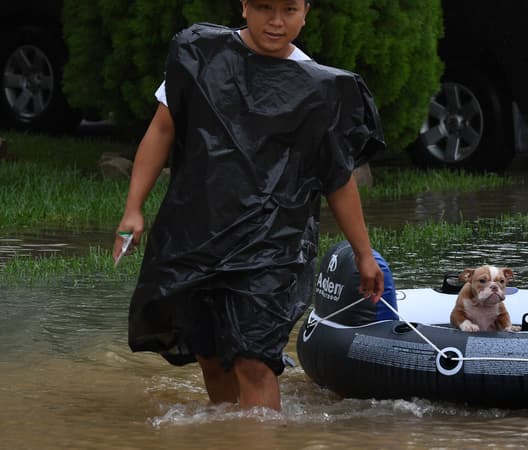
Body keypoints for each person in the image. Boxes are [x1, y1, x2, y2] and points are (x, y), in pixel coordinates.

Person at [113, 0, 385, 412]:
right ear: (244, 6)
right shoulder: (199, 54)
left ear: (306, 11)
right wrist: (133, 208)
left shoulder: (321, 89)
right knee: (209, 354)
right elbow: (163, 127)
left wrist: (364, 254)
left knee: (254, 362)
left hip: (273, 244)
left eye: (289, 10)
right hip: (197, 232)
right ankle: (228, 433)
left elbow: (338, 179)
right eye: (263, 7)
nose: (276, 22)